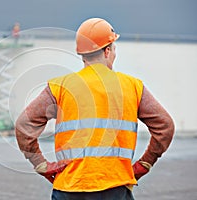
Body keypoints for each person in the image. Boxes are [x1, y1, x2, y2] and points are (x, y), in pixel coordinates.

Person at [15, 18, 174, 200]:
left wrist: (40, 164)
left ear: (82, 54)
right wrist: (145, 163)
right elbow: (165, 126)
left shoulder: (60, 87)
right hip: (115, 187)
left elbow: (24, 126)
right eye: (114, 49)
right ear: (107, 51)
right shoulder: (132, 86)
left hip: (69, 187)